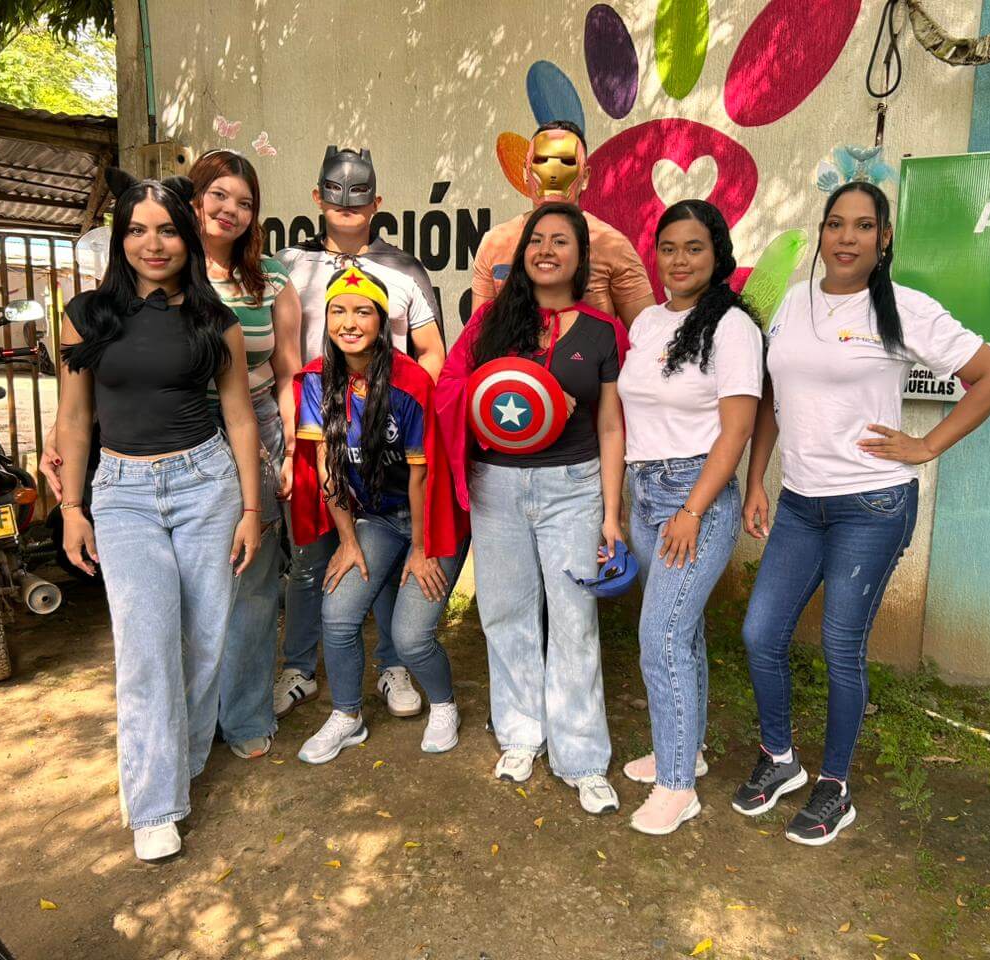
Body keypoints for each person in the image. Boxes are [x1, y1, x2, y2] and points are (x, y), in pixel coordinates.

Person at [736, 181, 990, 845]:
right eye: (836, 223)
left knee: (841, 647)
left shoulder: (906, 308)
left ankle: (834, 787)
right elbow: (773, 394)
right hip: (800, 504)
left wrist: (927, 444)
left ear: (884, 238)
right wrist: (756, 480)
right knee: (759, 633)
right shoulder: (792, 303)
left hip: (872, 505)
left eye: (864, 226)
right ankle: (780, 757)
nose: (847, 237)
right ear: (823, 231)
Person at [55, 169, 262, 862]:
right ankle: (155, 803)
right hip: (122, 494)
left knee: (204, 642)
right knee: (146, 648)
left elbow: (239, 415)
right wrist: (72, 507)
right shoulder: (87, 315)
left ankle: (182, 757)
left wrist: (251, 508)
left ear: (188, 239)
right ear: (120, 238)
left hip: (207, 486)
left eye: (168, 230)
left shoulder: (215, 320)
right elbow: (74, 417)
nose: (153, 243)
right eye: (138, 230)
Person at [436, 203, 627, 814]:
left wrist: (612, 514)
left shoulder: (602, 331)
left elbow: (613, 425)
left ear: (580, 255)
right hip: (497, 486)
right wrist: (517, 396)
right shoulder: (491, 321)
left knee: (574, 620)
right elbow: (452, 389)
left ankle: (582, 757)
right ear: (521, 255)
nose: (546, 250)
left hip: (574, 487)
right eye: (536, 240)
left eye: (560, 241)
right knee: (505, 612)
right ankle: (520, 735)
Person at [273, 146, 453, 723]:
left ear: (378, 202)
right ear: (316, 196)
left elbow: (431, 353)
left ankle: (392, 664)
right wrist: (294, 439)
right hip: (313, 430)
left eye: (360, 192)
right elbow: (284, 358)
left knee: (381, 558)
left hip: (382, 443)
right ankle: (300, 667)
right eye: (335, 190)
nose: (346, 202)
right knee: (311, 559)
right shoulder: (289, 266)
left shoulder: (405, 270)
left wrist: (397, 417)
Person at [615, 200, 761, 835]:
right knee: (684, 631)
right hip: (646, 490)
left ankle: (677, 787)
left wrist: (693, 510)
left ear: (717, 254)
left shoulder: (733, 327)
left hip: (695, 494)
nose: (679, 260)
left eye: (694, 247)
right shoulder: (649, 321)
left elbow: (737, 430)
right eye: (669, 247)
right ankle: (686, 751)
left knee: (662, 636)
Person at [287, 264, 468, 761]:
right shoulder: (316, 381)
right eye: (338, 311)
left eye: (363, 312)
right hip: (378, 519)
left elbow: (422, 478)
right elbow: (326, 465)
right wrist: (347, 540)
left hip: (433, 518)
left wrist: (422, 549)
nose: (349, 322)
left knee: (411, 638)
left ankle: (444, 704)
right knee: (337, 615)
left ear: (383, 321)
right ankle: (347, 717)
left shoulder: (410, 381)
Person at [187, 149, 302, 761]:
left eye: (245, 202)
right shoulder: (166, 267)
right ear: (195, 198)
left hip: (257, 423)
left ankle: (246, 713)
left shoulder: (271, 278)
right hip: (183, 429)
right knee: (193, 575)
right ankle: (192, 722)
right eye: (220, 195)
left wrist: (290, 446)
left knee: (254, 576)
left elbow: (288, 370)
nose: (231, 210)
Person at [471, 120, 654, 327]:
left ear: (585, 176)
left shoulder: (612, 246)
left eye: (566, 161)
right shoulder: (495, 242)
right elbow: (477, 333)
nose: (553, 173)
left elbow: (649, 335)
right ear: (525, 172)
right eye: (542, 160)